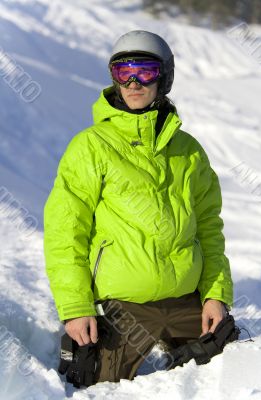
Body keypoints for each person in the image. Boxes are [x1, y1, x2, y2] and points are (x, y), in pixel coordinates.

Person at [44, 30, 233, 384]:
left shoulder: (189, 151)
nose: (133, 82)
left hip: (185, 299)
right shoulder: (91, 147)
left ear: (164, 77)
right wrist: (75, 307)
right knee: (96, 385)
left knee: (231, 364)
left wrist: (215, 295)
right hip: (122, 305)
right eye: (123, 71)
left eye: (144, 71)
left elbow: (209, 227)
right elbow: (65, 231)